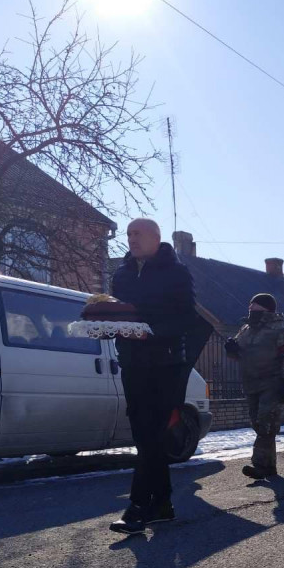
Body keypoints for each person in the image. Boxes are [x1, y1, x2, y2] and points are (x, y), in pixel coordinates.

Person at [109, 219, 197, 535]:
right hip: (132, 364)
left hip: (165, 364)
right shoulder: (121, 274)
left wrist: (152, 333)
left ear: (156, 239)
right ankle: (162, 504)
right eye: (129, 234)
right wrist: (106, 325)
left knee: (152, 432)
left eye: (138, 234)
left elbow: (187, 318)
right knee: (144, 435)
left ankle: (137, 507)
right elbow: (118, 313)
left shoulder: (176, 272)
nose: (131, 239)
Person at [223, 293, 284, 480]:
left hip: (272, 382)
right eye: (250, 308)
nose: (251, 311)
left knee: (265, 421)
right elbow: (238, 354)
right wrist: (231, 349)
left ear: (267, 310)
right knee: (257, 423)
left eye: (255, 308)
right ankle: (270, 467)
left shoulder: (281, 329)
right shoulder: (246, 329)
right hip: (251, 382)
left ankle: (260, 465)